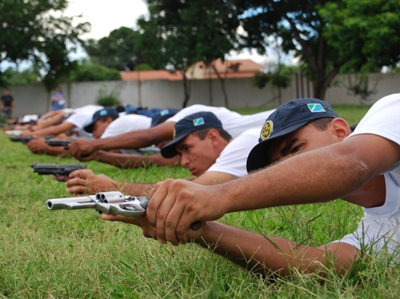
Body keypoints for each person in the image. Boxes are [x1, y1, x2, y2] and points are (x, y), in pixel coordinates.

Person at [104, 95, 400, 278]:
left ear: (339, 130)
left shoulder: (391, 110)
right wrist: (202, 230)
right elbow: (313, 264)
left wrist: (219, 196)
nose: (289, 167)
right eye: (277, 163)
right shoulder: (378, 230)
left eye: (295, 147)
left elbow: (352, 162)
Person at [66, 111, 260, 196]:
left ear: (214, 137)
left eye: (187, 149)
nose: (183, 162)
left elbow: (197, 189)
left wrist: (114, 187)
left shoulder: (244, 143)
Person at [68, 104, 275, 159]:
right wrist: (99, 155)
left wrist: (94, 145)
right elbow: (154, 161)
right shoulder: (198, 149)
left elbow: (149, 136)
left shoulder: (193, 113)